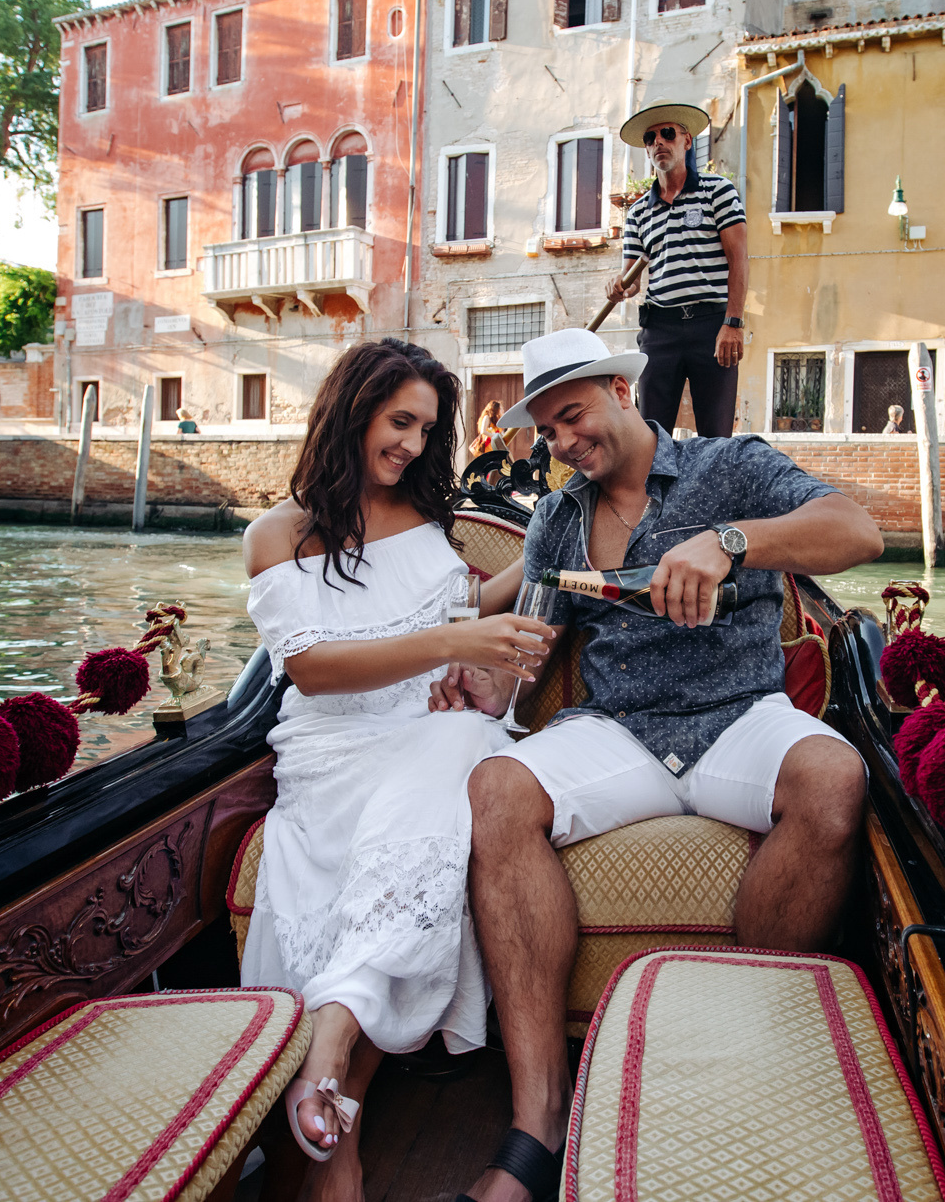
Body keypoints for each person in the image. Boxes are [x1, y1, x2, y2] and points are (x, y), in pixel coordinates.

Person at [439, 327, 884, 1202]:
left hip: (740, 717)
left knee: (836, 780)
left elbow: (857, 530)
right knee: (496, 788)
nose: (564, 444)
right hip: (618, 729)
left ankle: (740, 1057)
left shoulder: (732, 465)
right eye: (549, 432)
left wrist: (731, 542)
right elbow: (529, 648)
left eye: (572, 417)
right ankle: (538, 1124)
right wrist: (483, 674)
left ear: (618, 387)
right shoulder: (560, 519)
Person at [240, 338, 553, 1201]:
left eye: (426, 428)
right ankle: (339, 1130)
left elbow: (455, 613)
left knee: (461, 749)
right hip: (333, 748)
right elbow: (315, 668)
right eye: (400, 421)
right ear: (352, 410)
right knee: (437, 787)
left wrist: (546, 552)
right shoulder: (277, 534)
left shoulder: (425, 523)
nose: (414, 445)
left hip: (430, 730)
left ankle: (332, 1074)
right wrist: (456, 641)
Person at [606, 102, 748, 439]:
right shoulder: (639, 212)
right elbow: (631, 280)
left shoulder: (718, 191)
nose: (659, 142)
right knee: (650, 435)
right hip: (661, 329)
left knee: (716, 437)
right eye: (651, 137)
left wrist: (733, 322)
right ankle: (655, 494)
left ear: (686, 141)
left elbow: (739, 259)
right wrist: (618, 285)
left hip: (712, 325)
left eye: (667, 133)